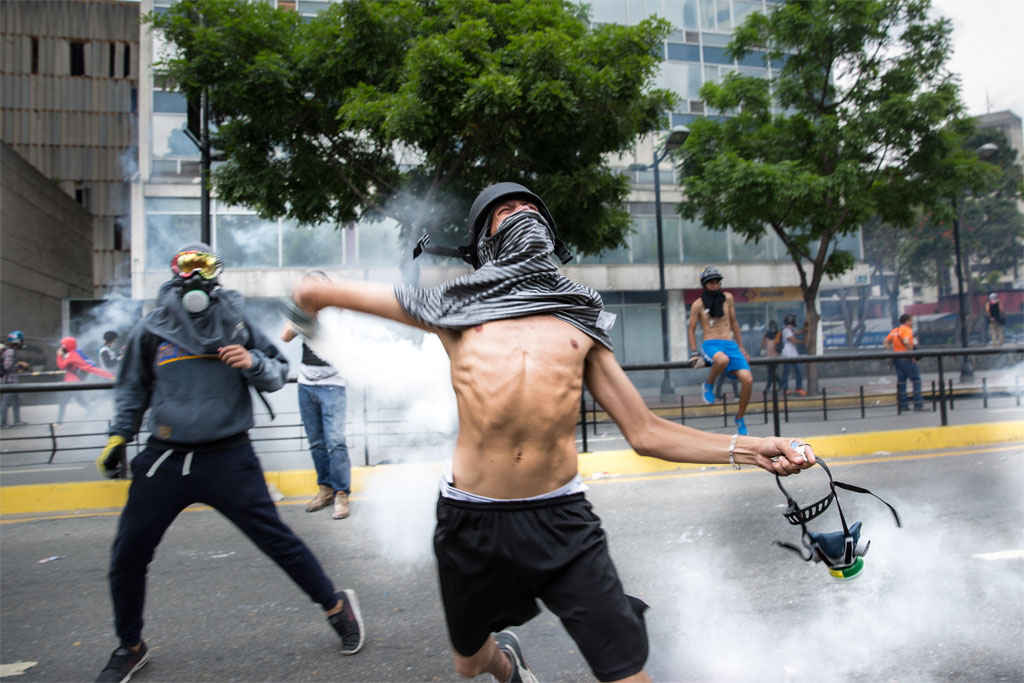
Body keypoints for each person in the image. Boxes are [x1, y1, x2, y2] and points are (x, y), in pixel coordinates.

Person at [289, 183, 815, 683]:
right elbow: (316, 291)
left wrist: (752, 449)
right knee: (468, 663)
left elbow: (646, 431)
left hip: (563, 523)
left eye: (529, 207)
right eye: (504, 209)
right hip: (471, 522)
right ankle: (509, 668)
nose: (520, 212)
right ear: (486, 243)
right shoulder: (450, 306)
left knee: (625, 670)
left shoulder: (578, 319)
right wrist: (305, 319)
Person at [92, 243, 364, 683]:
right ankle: (130, 645)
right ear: (174, 272)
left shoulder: (235, 322)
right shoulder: (153, 327)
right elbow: (132, 389)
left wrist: (251, 360)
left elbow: (277, 372)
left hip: (227, 456)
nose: (195, 275)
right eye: (187, 266)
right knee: (128, 555)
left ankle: (337, 607)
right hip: (165, 456)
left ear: (217, 274)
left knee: (278, 542)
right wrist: (118, 436)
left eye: (205, 266)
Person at [281, 271, 352, 520]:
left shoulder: (337, 312)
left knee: (336, 442)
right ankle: (325, 488)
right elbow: (285, 336)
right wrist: (301, 311)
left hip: (332, 383)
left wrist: (322, 311)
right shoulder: (303, 312)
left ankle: (342, 494)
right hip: (306, 383)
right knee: (317, 442)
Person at [686, 266, 754, 436]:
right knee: (722, 360)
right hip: (711, 344)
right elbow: (691, 330)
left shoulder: (728, 298)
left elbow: (734, 322)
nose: (715, 285)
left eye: (717, 282)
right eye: (711, 283)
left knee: (748, 380)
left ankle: (740, 418)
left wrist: (741, 347)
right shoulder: (698, 305)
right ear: (705, 284)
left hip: (730, 344)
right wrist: (694, 352)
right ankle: (708, 385)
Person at [55, 335, 114, 424]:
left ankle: (59, 423)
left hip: (72, 384)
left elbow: (62, 366)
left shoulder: (72, 356)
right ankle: (93, 411)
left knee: (64, 402)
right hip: (72, 383)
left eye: (63, 345)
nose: (62, 347)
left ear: (68, 345)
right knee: (80, 402)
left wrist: (59, 356)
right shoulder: (70, 355)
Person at [884, 313, 924, 412]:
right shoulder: (907, 330)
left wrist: (891, 352)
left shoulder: (895, 330)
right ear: (907, 322)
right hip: (907, 359)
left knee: (902, 382)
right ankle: (918, 404)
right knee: (916, 380)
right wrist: (912, 354)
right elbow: (906, 341)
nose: (913, 323)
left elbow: (885, 341)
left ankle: (903, 405)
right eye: (911, 320)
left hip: (897, 359)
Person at [2, 330, 30, 428]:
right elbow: (7, 366)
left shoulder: (10, 350)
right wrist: (20, 365)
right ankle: (3, 423)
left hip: (13, 381)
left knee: (16, 401)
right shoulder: (10, 351)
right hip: (9, 382)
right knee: (6, 402)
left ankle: (17, 420)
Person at [778, 314, 806, 396]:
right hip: (787, 355)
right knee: (786, 373)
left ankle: (798, 388)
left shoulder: (791, 329)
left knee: (799, 371)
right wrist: (804, 342)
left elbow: (800, 332)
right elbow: (793, 340)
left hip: (793, 354)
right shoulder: (786, 330)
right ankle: (785, 389)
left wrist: (806, 327)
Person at [760, 320, 781, 394]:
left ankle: (767, 388)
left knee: (771, 372)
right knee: (771, 372)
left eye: (773, 326)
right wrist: (762, 351)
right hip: (768, 356)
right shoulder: (767, 334)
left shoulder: (778, 333)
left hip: (776, 356)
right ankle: (780, 384)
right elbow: (763, 343)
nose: (772, 327)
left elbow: (780, 343)